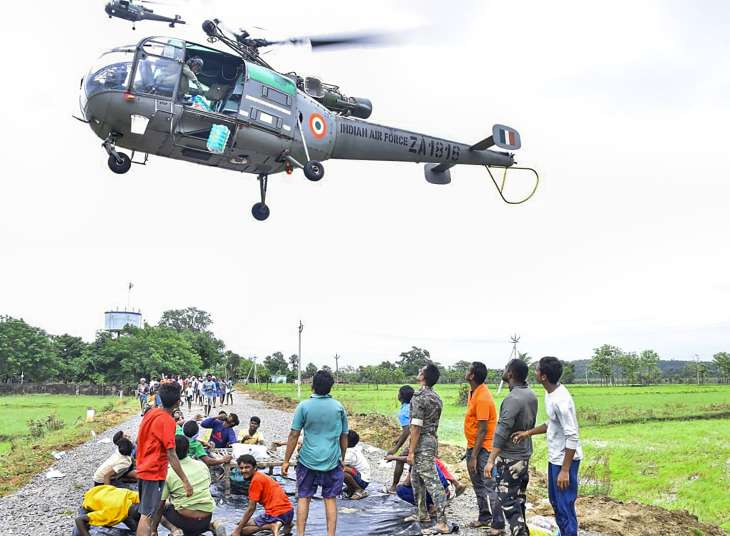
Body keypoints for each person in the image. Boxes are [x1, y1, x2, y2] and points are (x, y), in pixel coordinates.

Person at [512, 356, 582, 536]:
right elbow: (551, 424)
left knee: (565, 504)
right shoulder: (551, 393)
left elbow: (572, 435)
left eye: (536, 370)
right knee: (556, 502)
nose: (534, 372)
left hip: (565, 461)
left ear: (543, 376)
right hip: (556, 458)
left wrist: (565, 470)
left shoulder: (561, 401)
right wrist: (527, 433)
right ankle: (564, 532)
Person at [281, 369, 348, 536]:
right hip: (332, 460)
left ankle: (300, 534)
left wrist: (286, 460)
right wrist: (342, 457)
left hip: (307, 460)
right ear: (330, 387)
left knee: (304, 497)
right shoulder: (339, 407)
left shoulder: (304, 406)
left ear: (313, 386)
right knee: (330, 499)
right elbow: (344, 436)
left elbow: (294, 434)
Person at [484, 359, 538, 536]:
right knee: (519, 499)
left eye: (506, 368)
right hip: (523, 456)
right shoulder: (530, 395)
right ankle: (523, 531)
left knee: (507, 501)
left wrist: (491, 460)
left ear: (511, 374)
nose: (504, 370)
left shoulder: (512, 398)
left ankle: (519, 533)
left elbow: (502, 431)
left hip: (510, 458)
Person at [135, 382, 193, 536]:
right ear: (178, 402)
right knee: (146, 516)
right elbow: (171, 454)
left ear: (160, 397)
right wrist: (185, 481)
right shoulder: (168, 421)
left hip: (143, 468)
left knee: (147, 511)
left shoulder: (150, 413)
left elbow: (138, 440)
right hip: (153, 472)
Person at [405, 363, 450, 535]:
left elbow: (416, 427)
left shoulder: (419, 396)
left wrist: (411, 451)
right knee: (416, 478)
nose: (418, 372)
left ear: (424, 376)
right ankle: (422, 513)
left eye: (420, 371)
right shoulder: (436, 397)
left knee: (432, 482)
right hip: (431, 440)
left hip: (422, 443)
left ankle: (442, 522)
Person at [155, 435, 225, 536]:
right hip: (206, 518)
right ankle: (212, 525)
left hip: (185, 521)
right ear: (188, 449)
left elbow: (160, 505)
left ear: (169, 452)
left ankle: (175, 530)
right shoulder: (202, 466)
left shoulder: (167, 472)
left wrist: (153, 529)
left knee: (157, 506)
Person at [463, 361, 502, 533]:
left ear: (472, 375)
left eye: (468, 370)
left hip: (484, 449)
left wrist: (473, 456)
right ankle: (484, 517)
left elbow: (483, 429)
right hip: (473, 446)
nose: (466, 372)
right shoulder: (473, 392)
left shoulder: (483, 397)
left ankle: (498, 523)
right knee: (478, 484)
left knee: (489, 485)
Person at [232, 454, 295, 536]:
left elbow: (251, 508)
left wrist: (238, 530)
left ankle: (270, 526)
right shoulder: (262, 476)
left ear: (254, 468)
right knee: (241, 523)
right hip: (289, 512)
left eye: (247, 467)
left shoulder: (256, 481)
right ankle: (283, 524)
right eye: (241, 468)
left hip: (276, 513)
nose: (244, 470)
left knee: (241, 531)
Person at [73, 485, 140, 536]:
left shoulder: (134, 496)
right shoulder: (111, 513)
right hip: (90, 501)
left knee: (137, 530)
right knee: (80, 530)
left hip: (102, 490)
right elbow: (79, 520)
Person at [385, 385, 414, 493]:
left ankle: (394, 487)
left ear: (401, 396)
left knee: (401, 459)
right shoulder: (412, 405)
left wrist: (396, 448)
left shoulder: (403, 412)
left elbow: (407, 430)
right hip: (425, 437)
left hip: (417, 439)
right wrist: (399, 438)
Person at [343, 430, 370, 499]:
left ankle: (359, 489)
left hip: (363, 481)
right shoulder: (352, 448)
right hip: (361, 476)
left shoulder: (350, 453)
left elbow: (338, 463)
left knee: (341, 472)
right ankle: (351, 488)